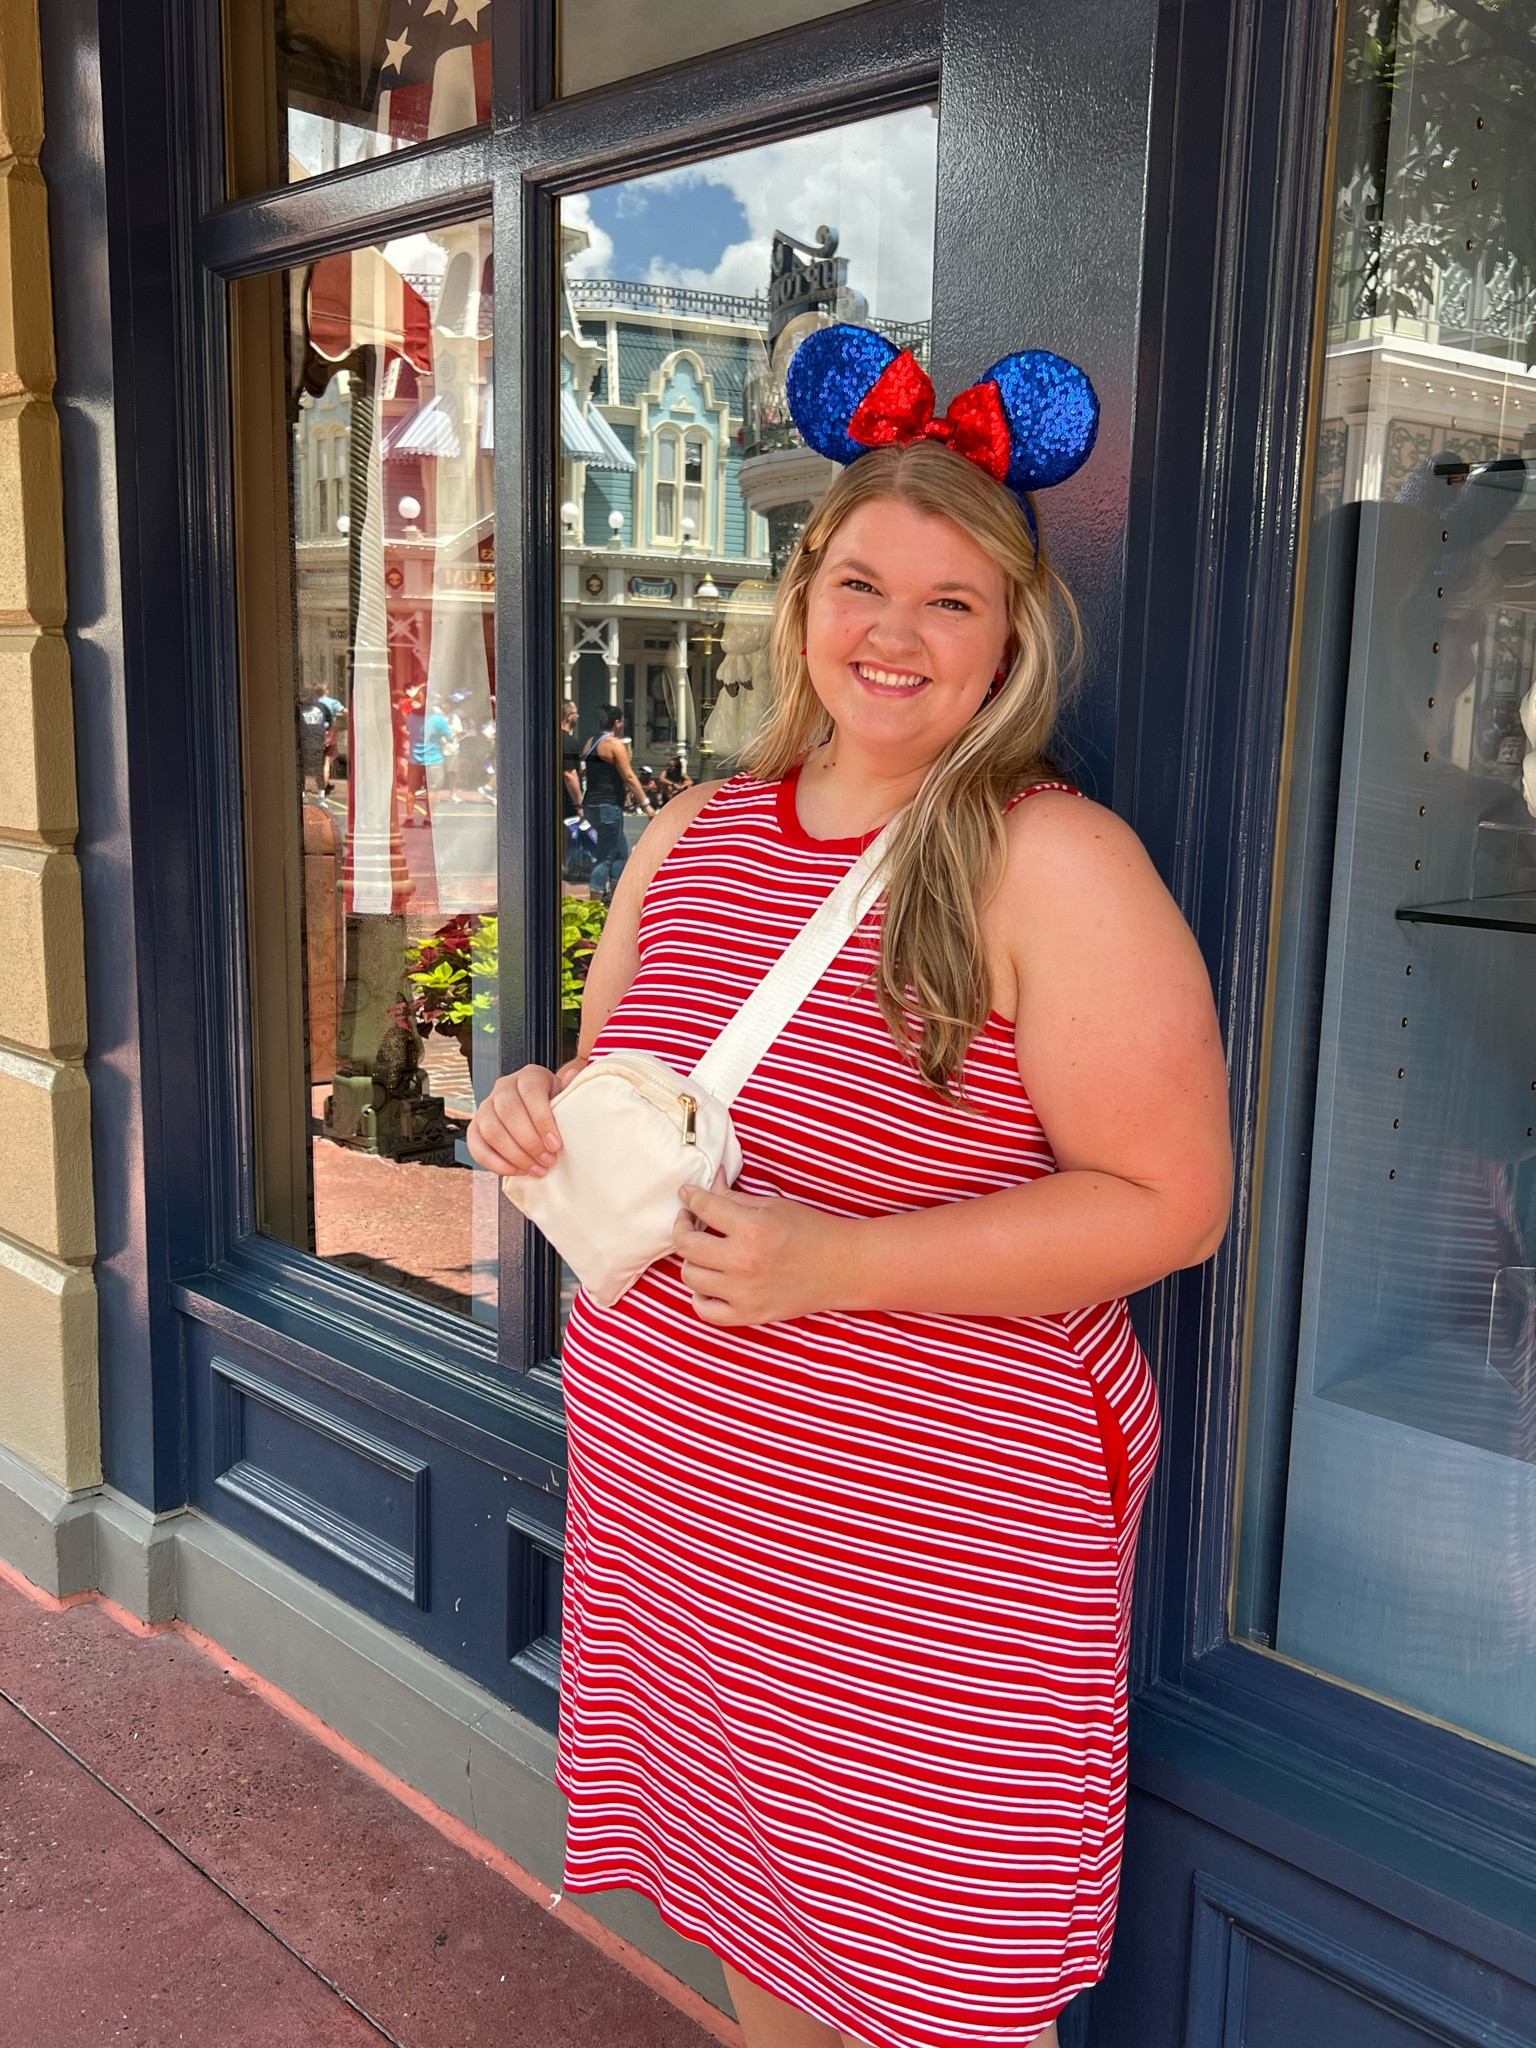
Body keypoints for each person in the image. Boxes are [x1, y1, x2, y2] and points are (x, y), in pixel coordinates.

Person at [469, 350, 1231, 2048]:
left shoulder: (1051, 859)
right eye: (862, 582)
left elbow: (1174, 1201)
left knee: (934, 1991)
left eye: (950, 599)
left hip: (924, 1572)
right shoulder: (690, 835)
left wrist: (844, 1260)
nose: (895, 632)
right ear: (802, 595)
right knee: (769, 1960)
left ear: (1012, 635)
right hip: (690, 1538)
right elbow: (629, 1105)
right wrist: (532, 1116)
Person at [580, 706, 654, 901]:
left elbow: (585, 771)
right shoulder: (614, 744)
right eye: (623, 722)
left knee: (621, 851)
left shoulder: (590, 742)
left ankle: (616, 897)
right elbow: (629, 776)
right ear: (617, 723)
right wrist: (646, 804)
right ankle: (595, 904)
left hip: (592, 804)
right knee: (606, 856)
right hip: (608, 805)